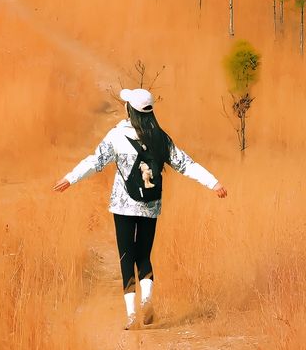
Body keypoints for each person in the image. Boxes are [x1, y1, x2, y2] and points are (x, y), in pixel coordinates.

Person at [53, 88, 227, 329]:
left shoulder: (116, 136)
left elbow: (95, 161)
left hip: (123, 206)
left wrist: (71, 178)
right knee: (144, 255)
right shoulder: (160, 138)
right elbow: (186, 165)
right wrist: (214, 182)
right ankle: (146, 298)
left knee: (127, 256)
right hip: (150, 206)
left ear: (130, 109)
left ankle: (131, 315)